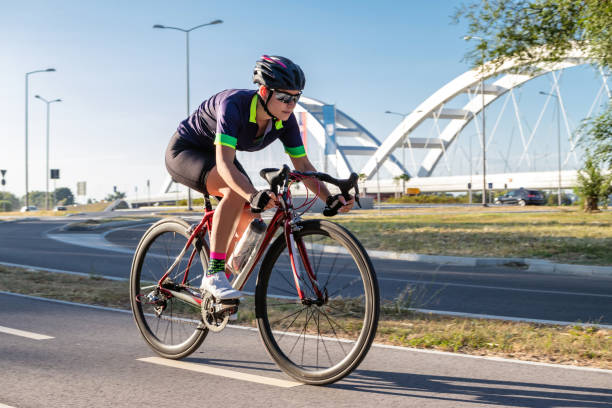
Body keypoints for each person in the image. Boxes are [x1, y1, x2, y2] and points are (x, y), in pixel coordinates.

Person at [165, 55, 354, 301]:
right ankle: (213, 274)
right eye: (284, 97)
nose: (291, 104)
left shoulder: (286, 121)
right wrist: (252, 193)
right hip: (187, 152)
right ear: (264, 91)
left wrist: (330, 199)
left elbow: (304, 166)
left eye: (296, 97)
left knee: (252, 219)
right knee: (237, 192)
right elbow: (224, 164)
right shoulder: (233, 105)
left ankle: (217, 287)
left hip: (220, 156)